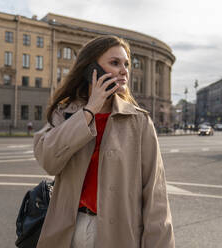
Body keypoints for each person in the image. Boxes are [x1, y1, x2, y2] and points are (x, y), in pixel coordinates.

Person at [33, 35, 174, 248]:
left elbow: (155, 194)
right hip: (69, 231)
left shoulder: (139, 121)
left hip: (120, 235)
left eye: (126, 64)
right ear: (91, 70)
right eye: (115, 63)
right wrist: (89, 110)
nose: (124, 70)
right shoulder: (65, 112)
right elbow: (49, 161)